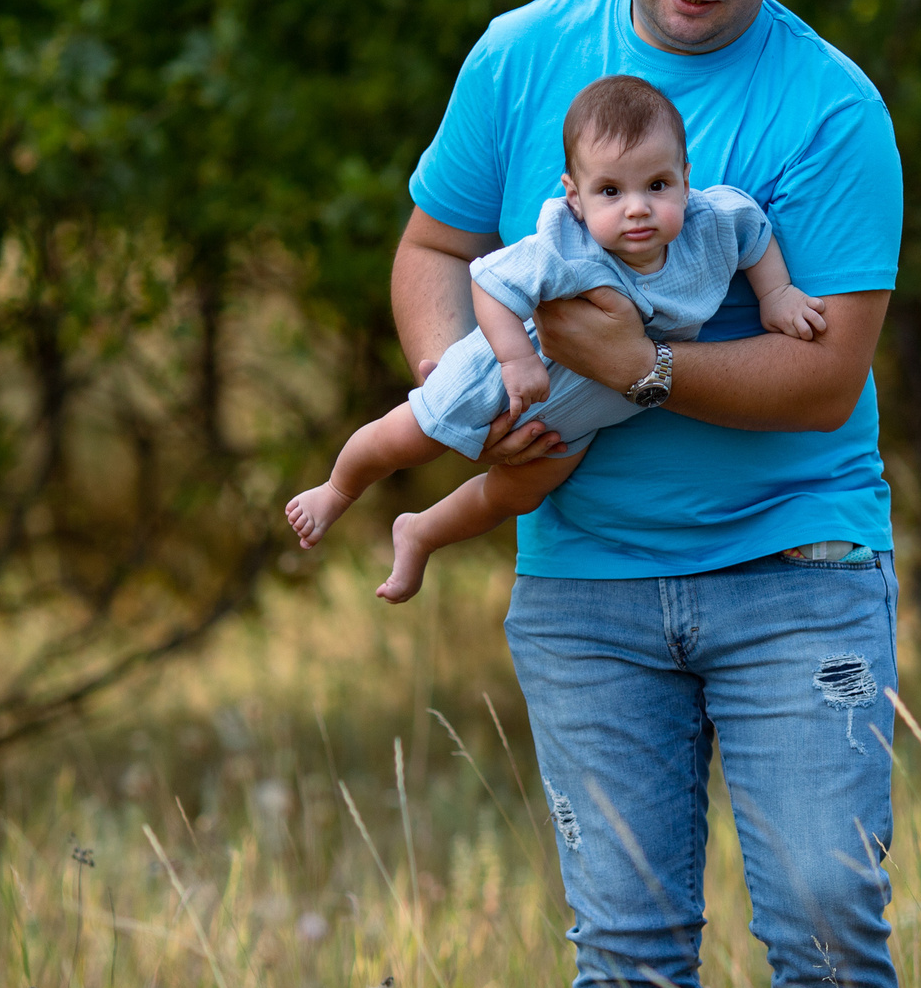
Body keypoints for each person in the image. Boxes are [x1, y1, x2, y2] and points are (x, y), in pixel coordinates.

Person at [391, 0, 904, 988]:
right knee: (626, 938)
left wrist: (647, 365)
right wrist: (478, 392)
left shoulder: (832, 109)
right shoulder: (522, 56)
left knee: (821, 905)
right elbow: (434, 246)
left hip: (797, 561)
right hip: (585, 583)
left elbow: (825, 377)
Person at [281, 74, 825, 602]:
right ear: (575, 197)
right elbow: (489, 282)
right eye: (610, 190)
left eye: (657, 185)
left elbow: (754, 232)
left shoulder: (712, 226)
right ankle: (337, 489)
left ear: (686, 177)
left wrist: (776, 294)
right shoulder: (564, 246)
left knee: (516, 493)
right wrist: (514, 359)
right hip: (504, 375)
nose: (637, 207)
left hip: (585, 414)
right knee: (404, 437)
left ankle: (421, 533)